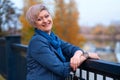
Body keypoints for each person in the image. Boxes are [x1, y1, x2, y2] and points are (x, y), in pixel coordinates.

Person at [26, 3, 100, 80]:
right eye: (39, 19)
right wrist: (86, 55)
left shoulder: (53, 38)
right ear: (34, 24)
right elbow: (62, 69)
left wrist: (77, 56)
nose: (45, 20)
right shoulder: (37, 42)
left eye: (46, 16)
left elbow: (72, 48)